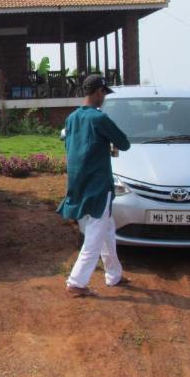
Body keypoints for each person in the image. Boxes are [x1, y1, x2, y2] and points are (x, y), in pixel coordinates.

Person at [57, 74, 132, 296]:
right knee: (95, 236)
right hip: (99, 186)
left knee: (107, 229)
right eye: (104, 94)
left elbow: (75, 147)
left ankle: (114, 274)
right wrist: (110, 146)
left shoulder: (71, 118)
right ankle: (76, 283)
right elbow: (124, 143)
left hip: (79, 183)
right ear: (98, 92)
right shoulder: (100, 119)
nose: (104, 98)